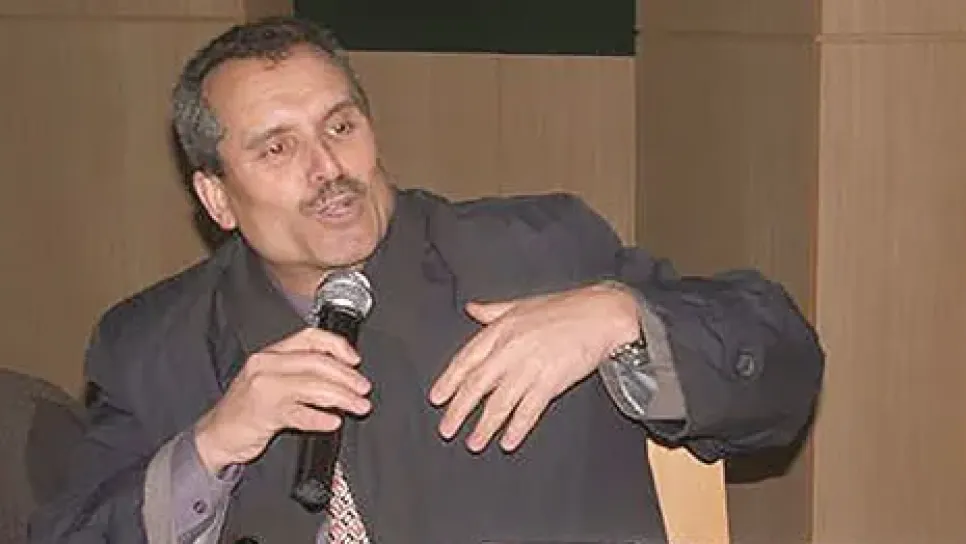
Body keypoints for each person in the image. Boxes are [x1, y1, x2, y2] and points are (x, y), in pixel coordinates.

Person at [30, 16, 824, 544]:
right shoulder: (153, 346)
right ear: (216, 198)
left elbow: (782, 366)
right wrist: (210, 448)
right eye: (277, 148)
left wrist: (625, 319)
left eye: (340, 126)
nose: (328, 169)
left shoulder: (534, 255)